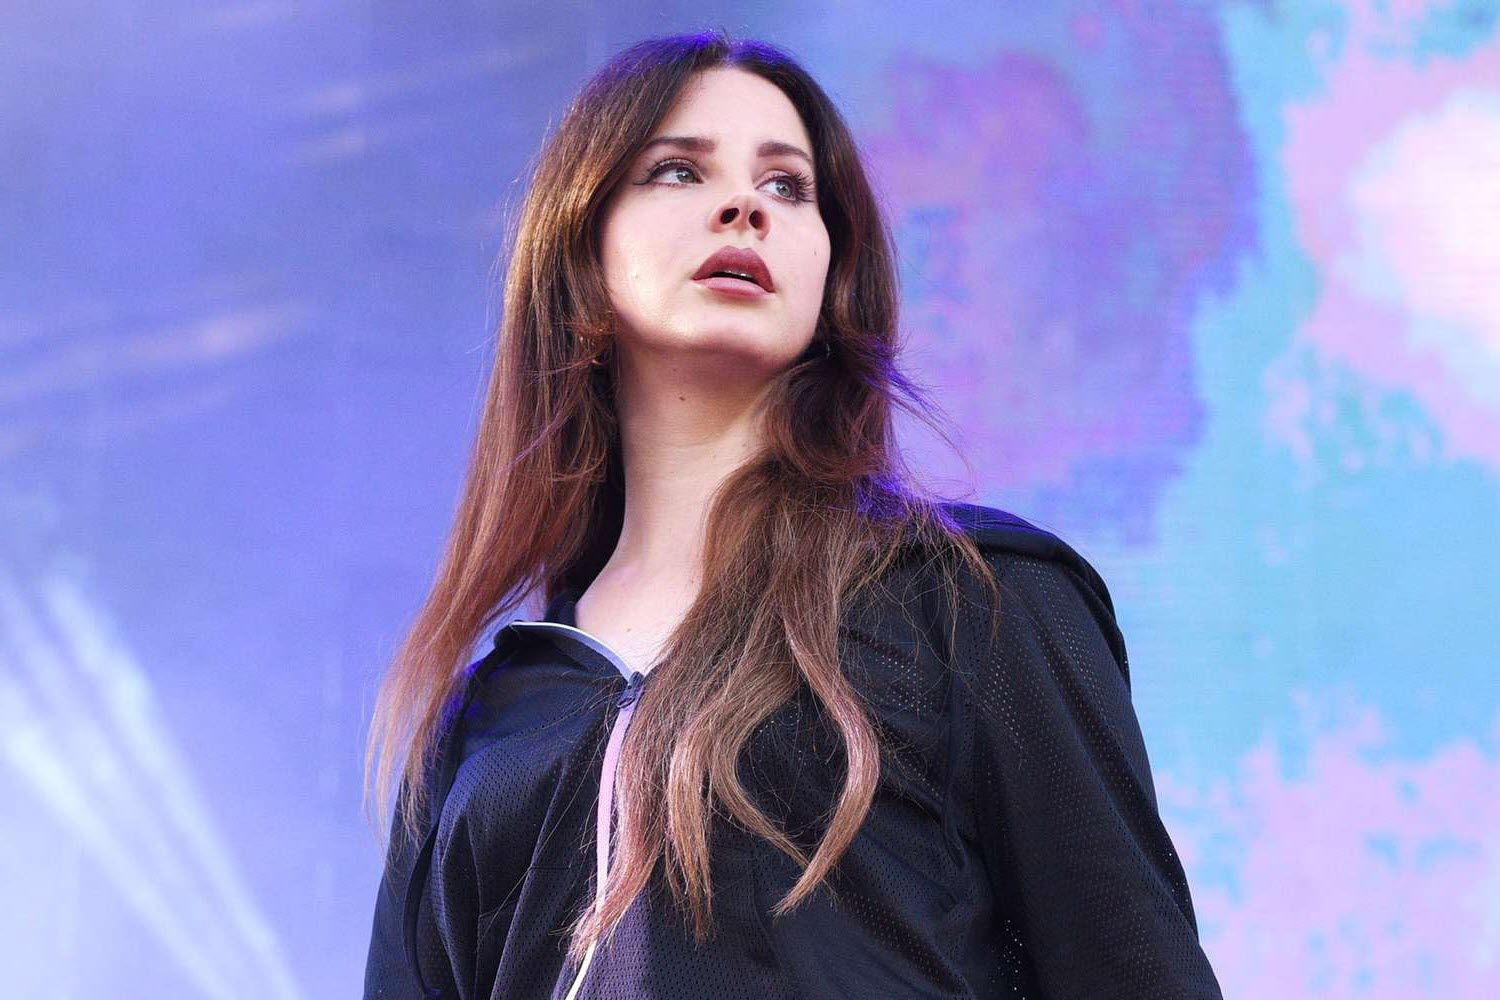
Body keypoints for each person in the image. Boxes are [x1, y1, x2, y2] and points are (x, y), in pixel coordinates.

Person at [361, 30, 1223, 1000]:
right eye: (679, 170)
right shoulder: (482, 725)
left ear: (833, 274)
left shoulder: (974, 599)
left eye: (787, 186)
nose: (745, 207)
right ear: (581, 247)